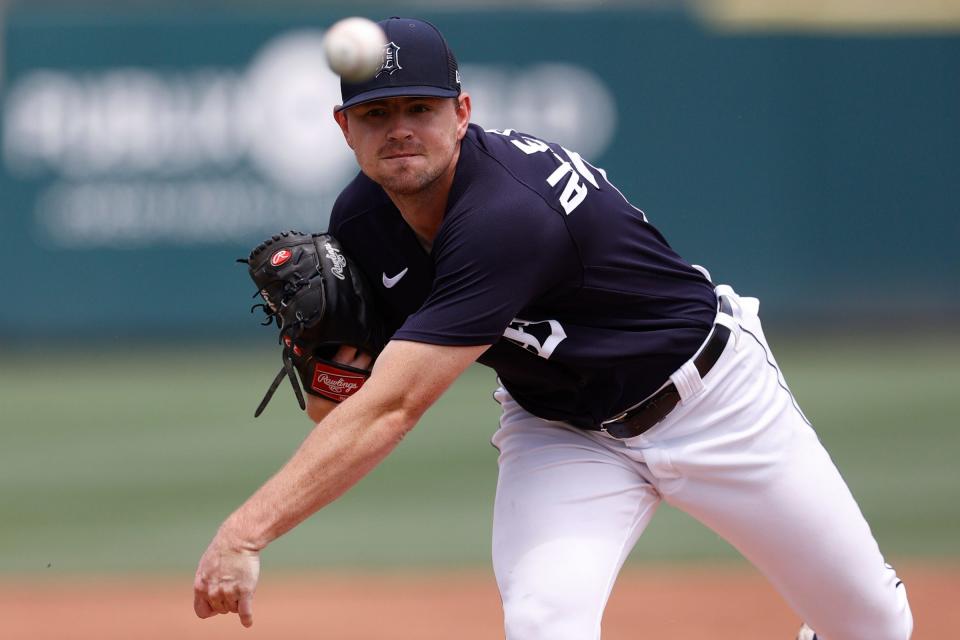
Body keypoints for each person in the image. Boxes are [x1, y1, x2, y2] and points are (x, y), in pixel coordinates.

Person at [193, 16, 913, 640]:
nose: (401, 129)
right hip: (562, 429)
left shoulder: (507, 214)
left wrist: (246, 531)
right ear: (344, 129)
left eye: (421, 107)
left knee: (873, 627)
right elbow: (339, 407)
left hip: (712, 400)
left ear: (463, 112)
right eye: (378, 114)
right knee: (545, 621)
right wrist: (327, 354)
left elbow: (395, 407)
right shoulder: (363, 218)